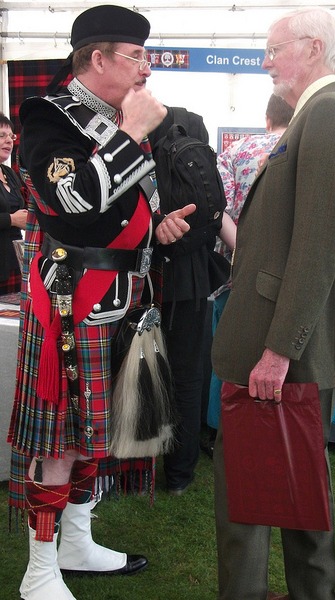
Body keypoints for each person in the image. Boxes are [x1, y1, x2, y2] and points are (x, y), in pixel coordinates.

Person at [7, 6, 196, 600]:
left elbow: (116, 210)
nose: (147, 68)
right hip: (69, 303)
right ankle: (39, 569)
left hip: (124, 298)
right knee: (60, 440)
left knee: (101, 430)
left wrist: (155, 226)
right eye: (138, 56)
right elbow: (68, 199)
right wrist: (134, 133)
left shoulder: (113, 118)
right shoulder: (46, 119)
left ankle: (77, 542)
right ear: (99, 58)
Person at [212, 7, 335, 600]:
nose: (264, 62)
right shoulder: (313, 113)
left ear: (312, 48)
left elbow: (318, 246)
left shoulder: (327, 112)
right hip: (281, 346)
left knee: (276, 502)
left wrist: (277, 351)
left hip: (281, 352)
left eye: (272, 49)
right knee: (286, 497)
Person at [149, 107, 236, 495]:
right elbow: (216, 212)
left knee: (143, 369)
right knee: (186, 374)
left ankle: (139, 466)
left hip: (152, 269)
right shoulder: (190, 122)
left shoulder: (130, 129)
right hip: (190, 272)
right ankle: (179, 474)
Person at [206, 94, 294, 438]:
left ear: (268, 117)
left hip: (237, 275)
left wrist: (242, 251)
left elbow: (218, 209)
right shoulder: (308, 147)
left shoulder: (236, 151)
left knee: (226, 354)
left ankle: (221, 428)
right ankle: (281, 429)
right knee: (288, 356)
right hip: (292, 277)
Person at [0, 112, 27, 296]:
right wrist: (11, 219)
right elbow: (14, 217)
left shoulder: (9, 173)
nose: (9, 141)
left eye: (11, 136)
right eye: (1, 135)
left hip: (15, 263)